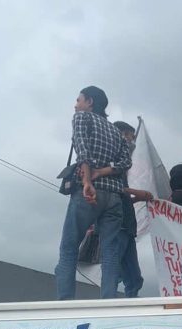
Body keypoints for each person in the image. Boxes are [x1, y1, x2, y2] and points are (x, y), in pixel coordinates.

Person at [55, 86, 132, 300]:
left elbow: (83, 150)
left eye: (78, 100)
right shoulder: (117, 132)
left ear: (89, 102)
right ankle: (108, 301)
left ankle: (65, 304)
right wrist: (103, 171)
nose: (75, 104)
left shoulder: (82, 118)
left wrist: (88, 179)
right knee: (110, 252)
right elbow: (126, 162)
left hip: (88, 192)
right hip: (114, 196)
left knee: (69, 247)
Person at [94, 120, 151, 298]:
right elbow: (109, 187)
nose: (130, 140)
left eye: (132, 137)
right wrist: (137, 192)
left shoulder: (123, 165)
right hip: (115, 226)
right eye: (126, 135)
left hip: (127, 226)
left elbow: (120, 195)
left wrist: (134, 199)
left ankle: (129, 308)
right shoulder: (110, 161)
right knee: (112, 269)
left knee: (134, 278)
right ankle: (106, 306)